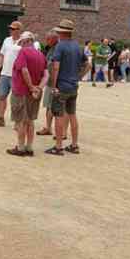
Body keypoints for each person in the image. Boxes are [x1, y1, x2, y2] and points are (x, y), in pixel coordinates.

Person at [46, 19, 91, 156]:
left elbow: (56, 66)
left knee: (59, 115)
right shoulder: (78, 46)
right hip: (73, 86)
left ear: (61, 32)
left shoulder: (60, 46)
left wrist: (54, 86)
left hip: (62, 86)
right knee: (72, 115)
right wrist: (79, 76)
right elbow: (88, 65)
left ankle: (58, 146)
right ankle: (74, 145)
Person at [6, 32, 48, 157]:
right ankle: (29, 147)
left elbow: (24, 70)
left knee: (21, 121)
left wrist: (30, 87)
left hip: (21, 91)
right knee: (30, 120)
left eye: (21, 42)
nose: (21, 44)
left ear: (25, 41)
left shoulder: (23, 53)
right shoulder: (41, 55)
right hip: (35, 93)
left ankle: (20, 147)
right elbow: (46, 75)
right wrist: (38, 88)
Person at [0, 21, 22, 127]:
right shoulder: (7, 40)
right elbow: (2, 55)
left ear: (18, 30)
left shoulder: (23, 42)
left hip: (17, 75)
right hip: (5, 73)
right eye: (10, 28)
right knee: (2, 97)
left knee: (16, 99)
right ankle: (1, 118)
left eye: (13, 29)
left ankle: (17, 121)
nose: (10, 30)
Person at [36, 31, 58, 137]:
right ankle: (48, 127)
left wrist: (53, 85)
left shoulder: (57, 50)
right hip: (50, 82)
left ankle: (49, 128)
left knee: (50, 106)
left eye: (48, 39)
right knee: (49, 106)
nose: (46, 41)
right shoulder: (50, 49)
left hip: (52, 83)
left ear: (54, 39)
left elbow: (54, 67)